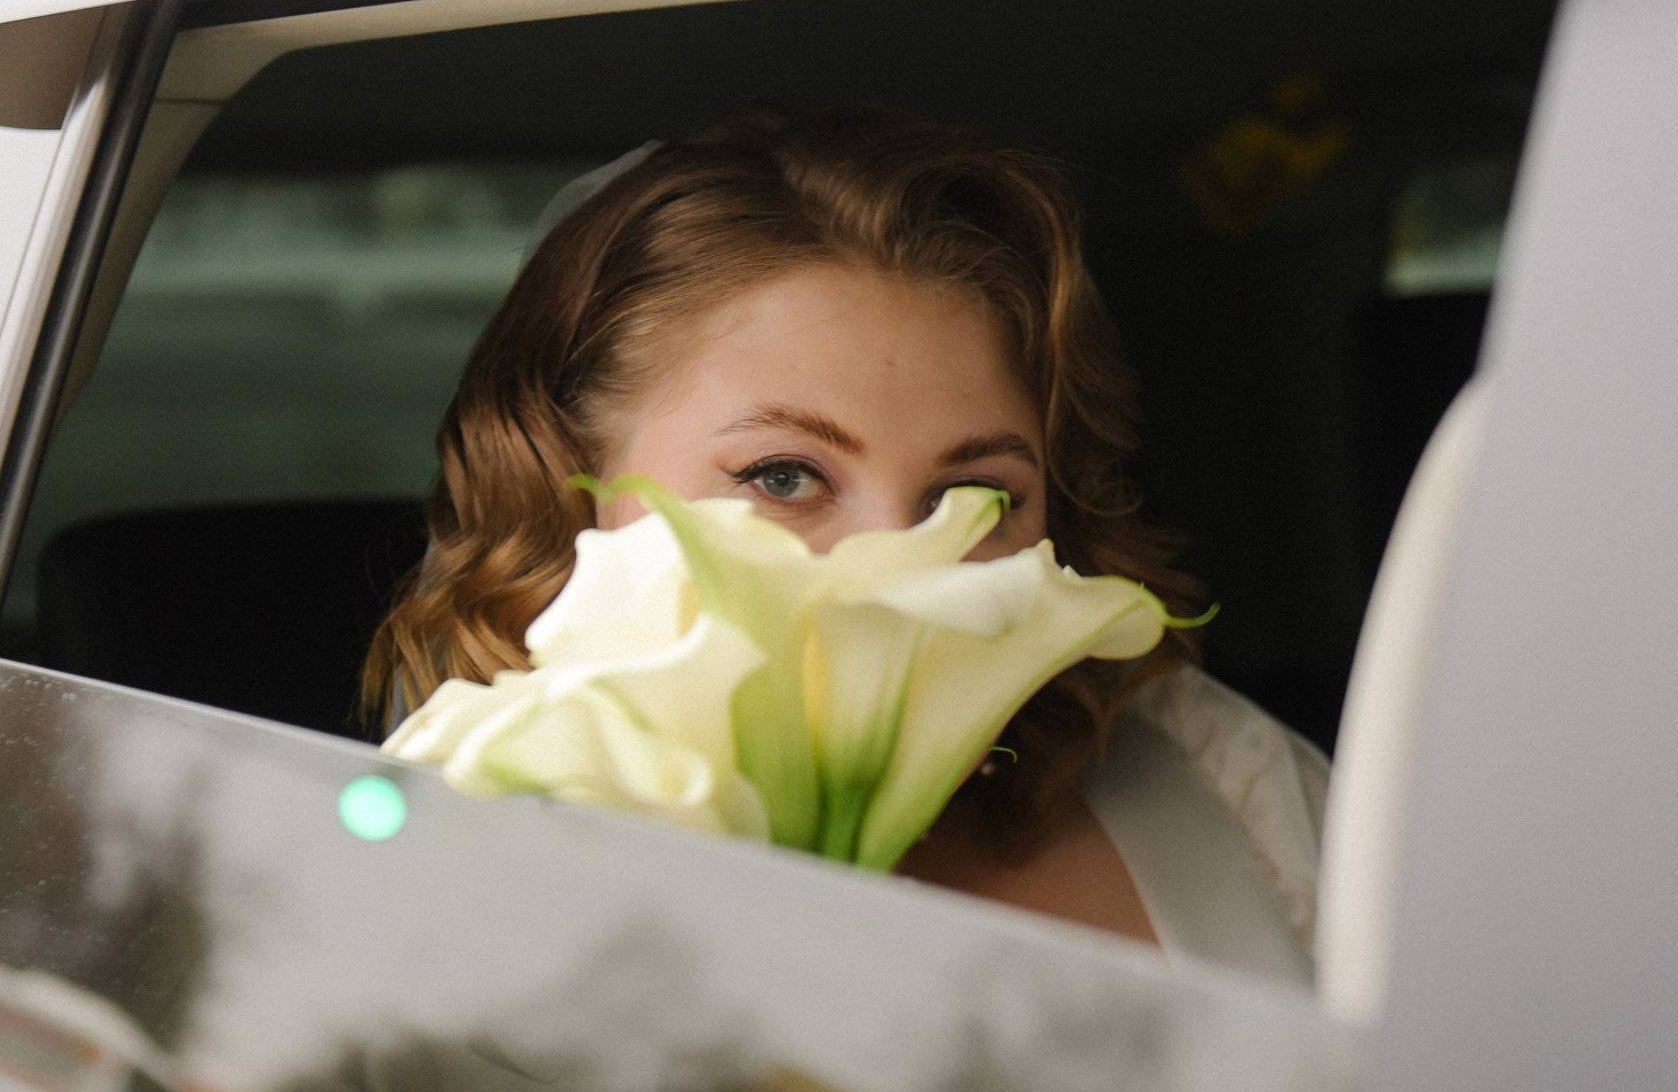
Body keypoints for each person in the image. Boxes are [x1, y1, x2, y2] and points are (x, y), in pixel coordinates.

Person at [366, 106, 1326, 983]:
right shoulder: (443, 887)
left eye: (976, 496)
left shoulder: (1220, 774)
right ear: (565, 483)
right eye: (783, 476)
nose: (900, 571)